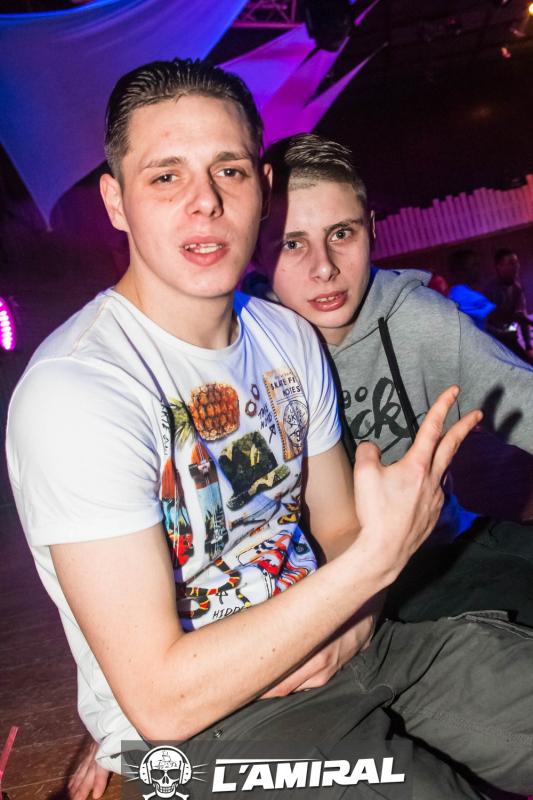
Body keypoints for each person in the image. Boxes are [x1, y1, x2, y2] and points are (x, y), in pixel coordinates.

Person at [6, 60, 533, 800]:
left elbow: (340, 529)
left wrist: (353, 623)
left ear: (260, 187)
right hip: (205, 731)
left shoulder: (285, 338)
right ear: (116, 202)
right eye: (166, 176)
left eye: (228, 171)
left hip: (351, 647)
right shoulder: (79, 391)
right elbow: (161, 700)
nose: (206, 202)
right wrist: (377, 559)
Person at [253, 133, 533, 622]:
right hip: (316, 603)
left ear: (372, 229)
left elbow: (523, 401)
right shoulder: (242, 353)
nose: (324, 268)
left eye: (342, 233)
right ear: (256, 253)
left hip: (444, 556)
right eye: (292, 243)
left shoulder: (418, 319)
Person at [485, 247, 533, 364]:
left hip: (508, 337)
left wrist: (528, 345)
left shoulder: (516, 288)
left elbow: (520, 315)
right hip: (493, 342)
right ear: (499, 266)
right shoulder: (491, 290)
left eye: (517, 262)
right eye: (511, 263)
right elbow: (488, 322)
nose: (516, 266)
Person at [447, 249, 496, 331]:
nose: (480, 268)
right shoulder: (463, 294)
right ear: (461, 270)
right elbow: (498, 316)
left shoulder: (454, 293)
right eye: (474, 265)